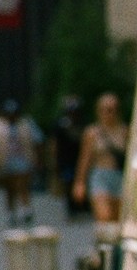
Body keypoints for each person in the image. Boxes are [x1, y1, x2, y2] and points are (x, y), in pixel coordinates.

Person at [0, 100, 41, 224]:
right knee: (9, 188)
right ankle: (11, 211)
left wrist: (37, 158)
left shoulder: (26, 124)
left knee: (23, 184)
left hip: (23, 159)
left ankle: (26, 208)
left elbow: (37, 140)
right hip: (4, 161)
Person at [73, 91, 128, 227]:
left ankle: (113, 247)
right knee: (104, 217)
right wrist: (80, 183)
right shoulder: (92, 133)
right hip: (100, 176)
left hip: (119, 176)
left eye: (111, 110)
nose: (108, 114)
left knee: (117, 221)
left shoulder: (125, 131)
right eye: (104, 110)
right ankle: (103, 246)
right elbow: (85, 159)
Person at [53, 93, 86, 218]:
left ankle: (80, 207)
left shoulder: (82, 124)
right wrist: (55, 161)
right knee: (69, 183)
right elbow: (55, 143)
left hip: (79, 158)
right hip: (66, 160)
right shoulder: (61, 124)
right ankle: (71, 209)